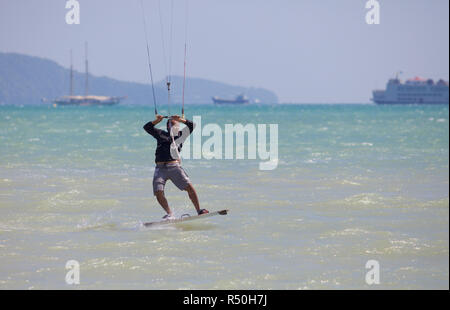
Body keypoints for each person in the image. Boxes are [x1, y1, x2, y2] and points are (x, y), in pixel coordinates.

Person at [143, 114, 208, 220]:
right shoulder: (160, 134)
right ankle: (170, 214)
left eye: (176, 125)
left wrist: (181, 120)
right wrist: (157, 120)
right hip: (160, 168)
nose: (175, 127)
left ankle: (199, 210)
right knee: (158, 192)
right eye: (172, 125)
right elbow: (147, 127)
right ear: (168, 127)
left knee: (189, 188)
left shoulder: (181, 135)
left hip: (174, 167)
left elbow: (192, 125)